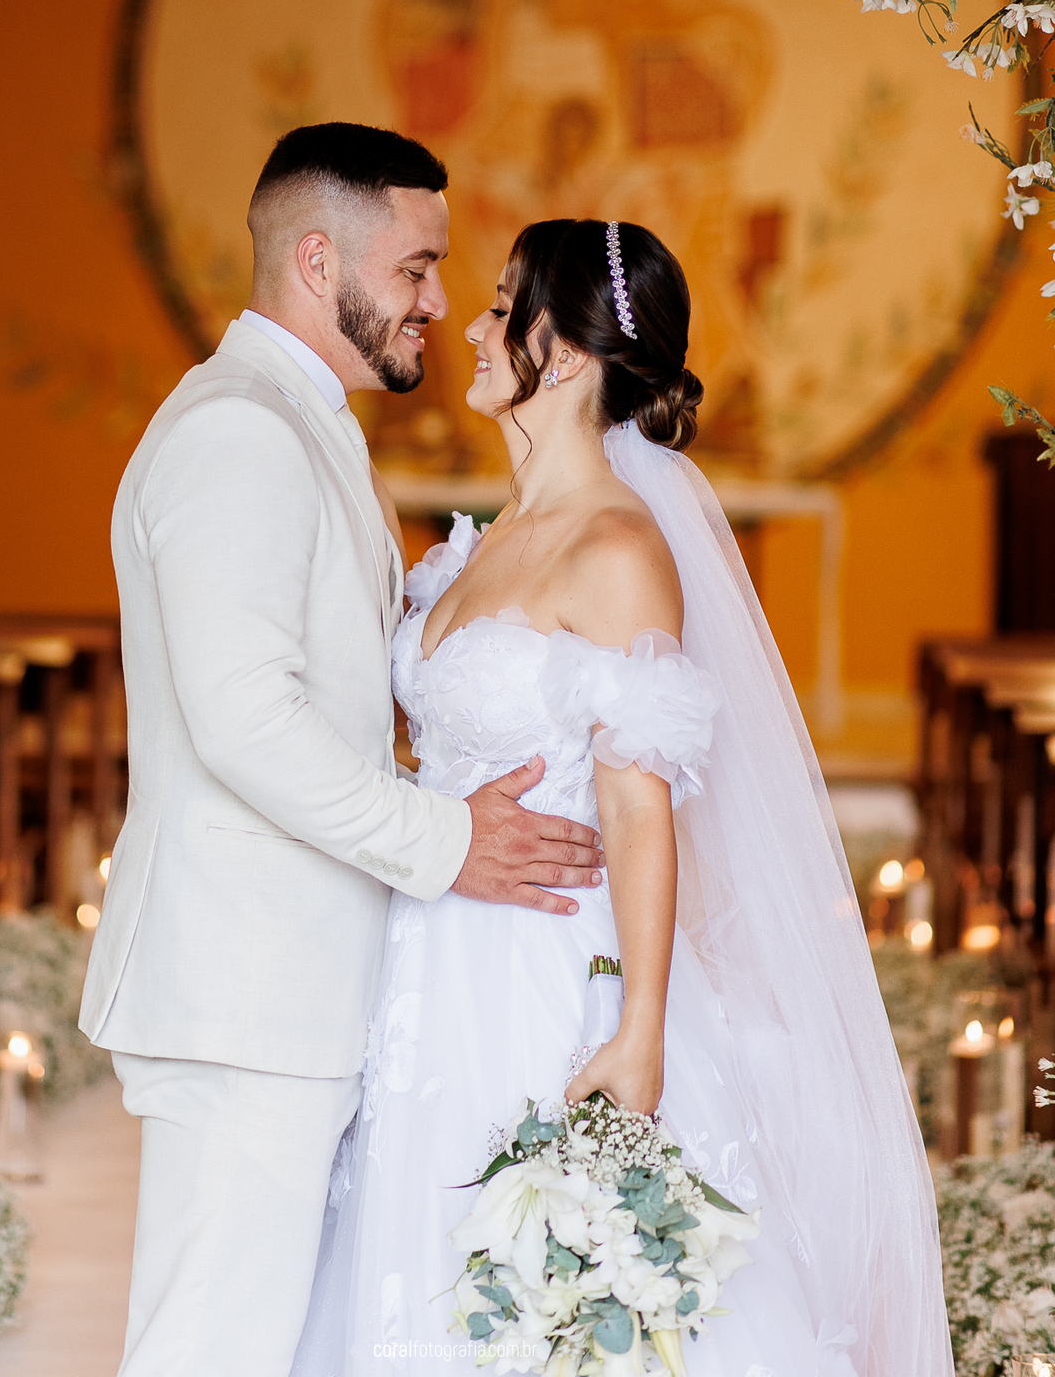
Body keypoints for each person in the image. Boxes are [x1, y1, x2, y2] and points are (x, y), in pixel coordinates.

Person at [295, 218, 954, 1376]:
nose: (474, 328)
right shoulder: (489, 539)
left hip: (546, 968)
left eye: (503, 306)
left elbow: (640, 805)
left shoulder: (615, 547)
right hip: (429, 958)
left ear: (565, 348)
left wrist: (640, 1029)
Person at [78, 125, 606, 1377]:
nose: (439, 303)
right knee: (210, 1350)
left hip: (286, 982)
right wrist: (447, 841)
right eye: (416, 268)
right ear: (318, 261)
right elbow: (245, 719)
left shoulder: (300, 422)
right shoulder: (239, 432)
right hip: (247, 987)